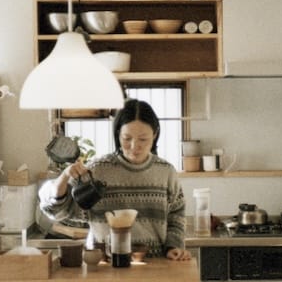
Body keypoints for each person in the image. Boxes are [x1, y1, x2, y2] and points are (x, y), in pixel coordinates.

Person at [39, 99, 191, 261]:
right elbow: (57, 211)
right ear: (118, 134)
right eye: (127, 138)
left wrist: (173, 247)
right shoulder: (97, 170)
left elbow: (176, 215)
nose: (134, 146)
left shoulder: (166, 172)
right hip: (104, 267)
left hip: (155, 265)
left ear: (155, 134)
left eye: (143, 139)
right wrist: (64, 176)